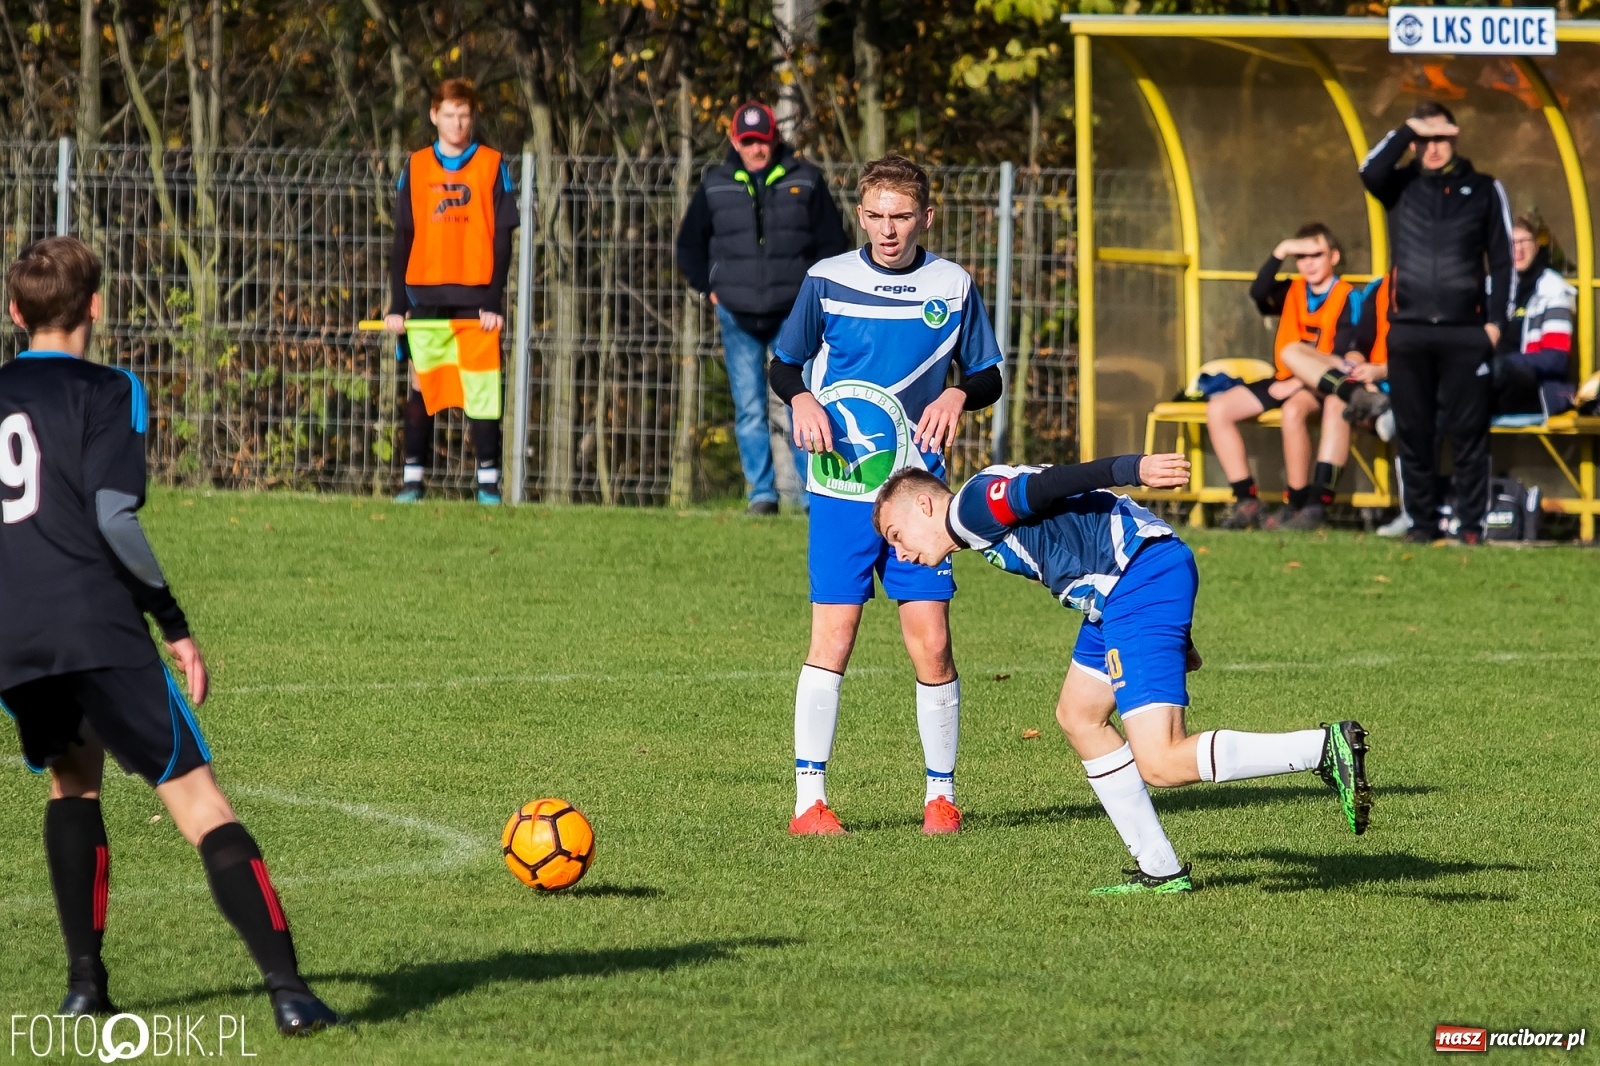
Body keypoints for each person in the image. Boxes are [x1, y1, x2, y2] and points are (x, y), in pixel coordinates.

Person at [0, 237, 340, 1033]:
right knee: (200, 803)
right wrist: (173, 623)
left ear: (14, 313)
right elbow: (113, 518)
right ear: (95, 306)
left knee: (72, 782)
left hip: (15, 634)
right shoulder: (112, 389)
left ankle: (85, 987)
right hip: (95, 623)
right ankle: (291, 992)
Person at [870, 456, 1372, 894]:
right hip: (1120, 592)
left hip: (1137, 578)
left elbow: (1052, 484)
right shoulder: (975, 518)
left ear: (925, 506)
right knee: (1079, 716)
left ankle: (1322, 749)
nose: (901, 553)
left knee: (1161, 761)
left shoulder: (970, 510)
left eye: (896, 536)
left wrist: (1133, 468)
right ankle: (1160, 869)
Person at [767, 154, 1003, 836]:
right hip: (841, 489)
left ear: (926, 216)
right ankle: (809, 804)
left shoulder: (952, 286)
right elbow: (784, 363)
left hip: (919, 499)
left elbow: (988, 374)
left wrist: (958, 394)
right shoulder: (828, 280)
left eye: (901, 217)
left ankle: (941, 799)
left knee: (932, 642)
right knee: (833, 637)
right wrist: (802, 399)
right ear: (861, 215)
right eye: (875, 216)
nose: (888, 230)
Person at [676, 101, 849, 514]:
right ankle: (762, 494)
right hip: (736, 314)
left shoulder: (806, 179)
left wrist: (813, 295)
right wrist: (710, 288)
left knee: (803, 402)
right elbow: (689, 246)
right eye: (748, 141)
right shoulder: (715, 184)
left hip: (794, 315)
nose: (756, 149)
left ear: (774, 139)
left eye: (763, 141)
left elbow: (833, 243)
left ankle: (813, 493)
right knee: (750, 408)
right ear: (735, 141)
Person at [1360, 101, 1514, 545]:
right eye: (1424, 140)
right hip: (1408, 330)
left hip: (1466, 332)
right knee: (1414, 431)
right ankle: (1422, 523)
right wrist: (1408, 128)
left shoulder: (1485, 188)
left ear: (1455, 137)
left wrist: (1495, 325)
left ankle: (1471, 525)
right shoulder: (1399, 185)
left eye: (1441, 138)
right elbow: (1369, 171)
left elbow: (1503, 260)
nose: (1433, 147)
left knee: (1468, 431)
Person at [385, 78, 517, 505]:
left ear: (472, 117)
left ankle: (488, 484)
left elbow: (502, 239)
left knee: (481, 390)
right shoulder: (416, 165)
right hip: (425, 295)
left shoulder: (492, 164)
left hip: (476, 297)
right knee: (423, 386)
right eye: (448, 115)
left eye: (463, 115)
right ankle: (412, 480)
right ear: (434, 116)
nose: (457, 123)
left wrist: (494, 300)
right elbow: (403, 237)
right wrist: (397, 305)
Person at [1208, 224, 1361, 531]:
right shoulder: (1293, 289)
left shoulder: (1348, 296)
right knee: (1219, 409)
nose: (1308, 263)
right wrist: (1281, 251)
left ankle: (1298, 502)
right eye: (1300, 256)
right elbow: (1258, 292)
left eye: (1316, 255)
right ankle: (1246, 499)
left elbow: (1344, 357)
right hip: (1285, 378)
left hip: (1325, 383)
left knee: (1293, 411)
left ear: (1334, 257)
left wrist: (1300, 382)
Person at [1493, 215, 1576, 415]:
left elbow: (1556, 359)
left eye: (1524, 241)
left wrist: (1505, 364)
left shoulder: (1553, 289)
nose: (1518, 249)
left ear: (1537, 246)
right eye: (1511, 243)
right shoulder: (1491, 288)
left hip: (1535, 388)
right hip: (1493, 384)